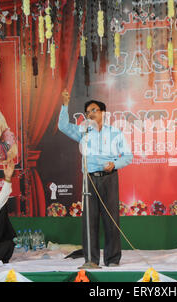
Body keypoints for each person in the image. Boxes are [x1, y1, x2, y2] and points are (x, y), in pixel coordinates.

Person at [58, 90, 133, 267]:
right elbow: (62, 126)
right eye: (87, 112)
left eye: (94, 110)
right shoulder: (82, 132)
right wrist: (65, 105)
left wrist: (114, 164)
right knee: (89, 221)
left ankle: (112, 260)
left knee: (111, 219)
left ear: (103, 113)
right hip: (89, 180)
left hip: (109, 177)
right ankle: (91, 260)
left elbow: (128, 156)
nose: (90, 114)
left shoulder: (115, 133)